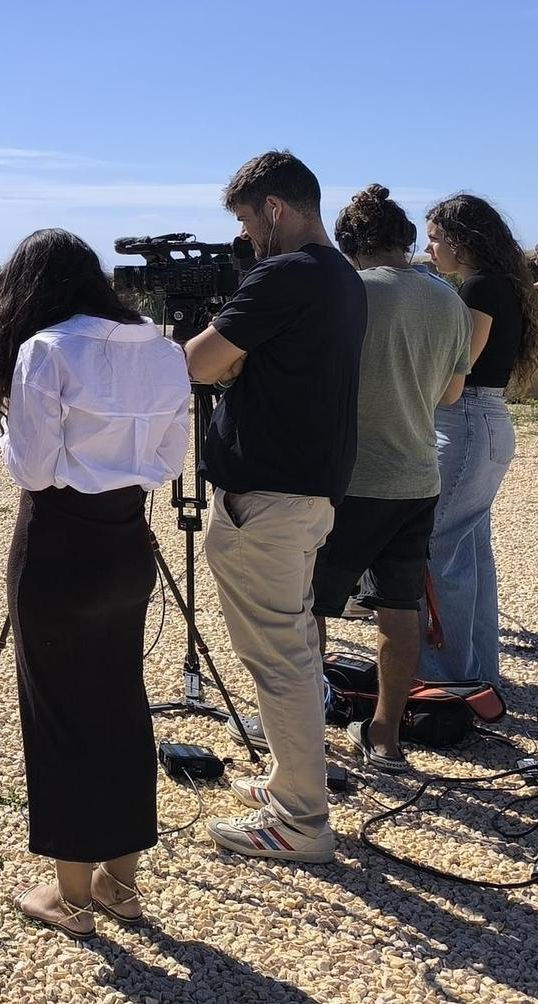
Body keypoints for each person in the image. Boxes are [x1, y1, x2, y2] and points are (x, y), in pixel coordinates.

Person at [0, 229, 190, 937]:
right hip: (128, 540)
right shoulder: (160, 349)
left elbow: (32, 469)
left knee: (59, 712)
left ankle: (68, 897)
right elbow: (170, 460)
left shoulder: (46, 350)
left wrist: (5, 425)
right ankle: (120, 885)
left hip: (59, 543)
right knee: (122, 703)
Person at [183, 150, 365, 863]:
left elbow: (199, 363)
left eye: (247, 220)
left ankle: (300, 820)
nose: (247, 237)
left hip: (270, 498)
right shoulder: (339, 275)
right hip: (307, 490)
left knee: (280, 657)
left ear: (276, 208)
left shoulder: (287, 274)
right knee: (292, 644)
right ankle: (293, 781)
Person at [312, 187, 471, 773]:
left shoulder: (353, 293)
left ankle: (305, 726)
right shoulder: (448, 299)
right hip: (417, 474)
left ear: (350, 244)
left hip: (354, 477)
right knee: (399, 606)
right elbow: (451, 392)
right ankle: (385, 736)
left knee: (311, 607)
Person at [417, 194, 538, 687]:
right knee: (469, 551)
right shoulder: (502, 286)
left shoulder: (478, 290)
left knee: (437, 550)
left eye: (434, 238)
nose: (429, 249)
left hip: (464, 422)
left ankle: (447, 678)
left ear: (460, 239)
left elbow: (458, 375)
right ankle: (477, 674)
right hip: (488, 419)